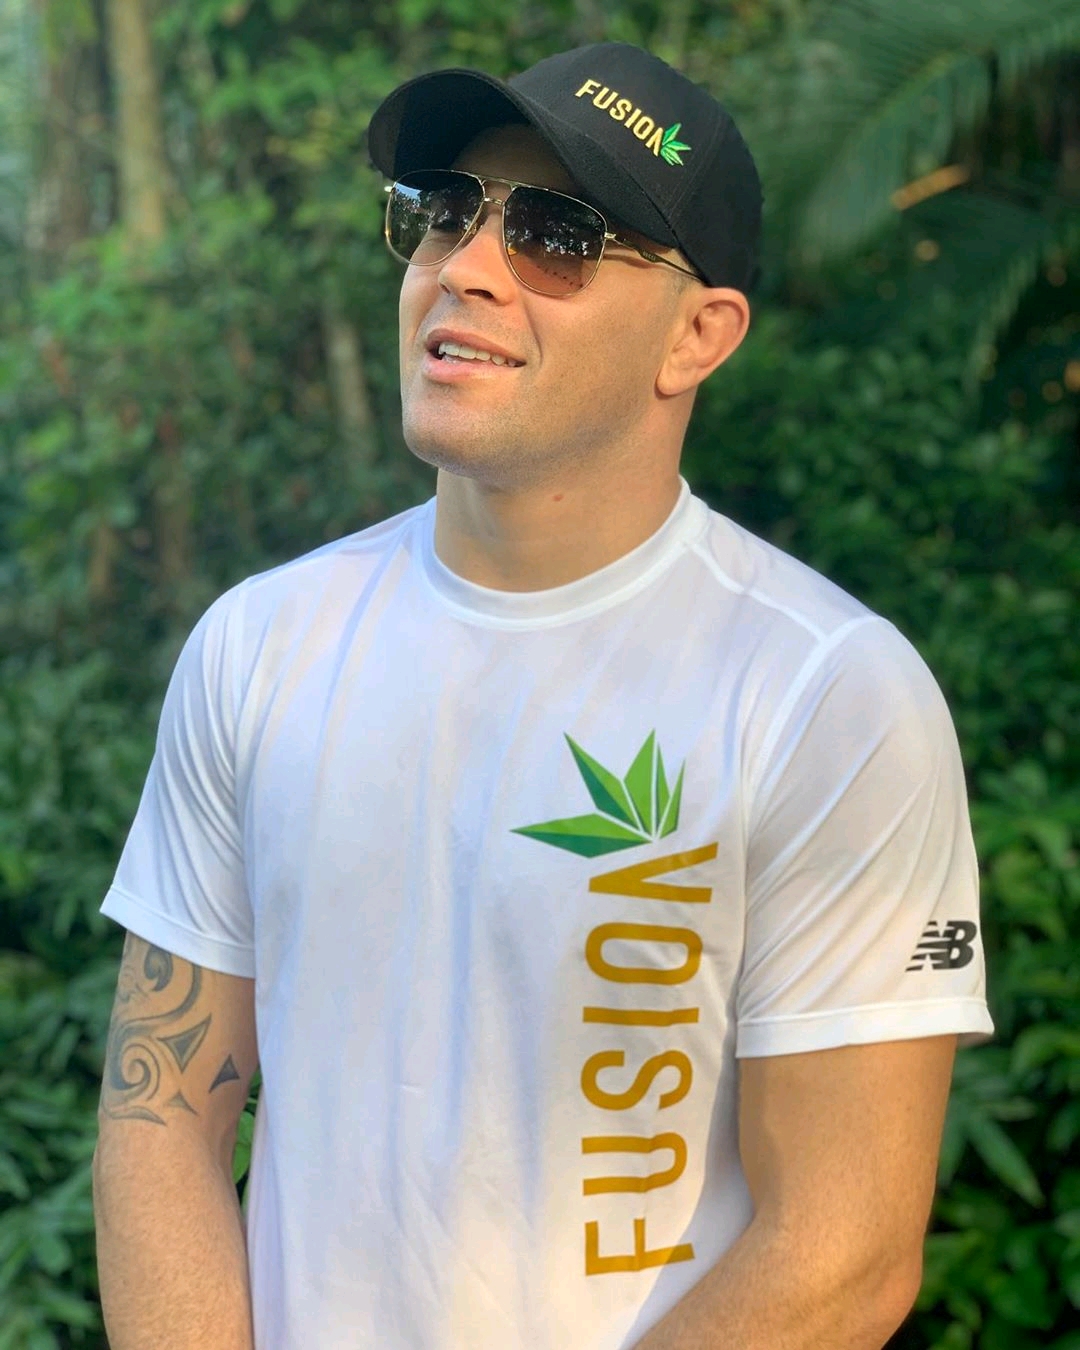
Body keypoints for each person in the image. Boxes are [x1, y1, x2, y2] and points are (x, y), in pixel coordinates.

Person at [92, 40, 993, 1350]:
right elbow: (161, 1111)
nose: (464, 265)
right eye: (442, 211)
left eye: (558, 235)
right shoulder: (260, 644)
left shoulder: (824, 694)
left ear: (697, 336)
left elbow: (842, 1252)